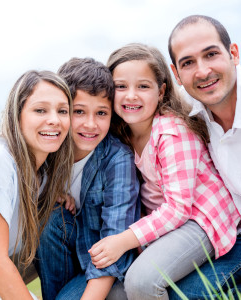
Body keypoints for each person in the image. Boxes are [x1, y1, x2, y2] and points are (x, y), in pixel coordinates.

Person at [88, 43, 241, 300]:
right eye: (121, 86)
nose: (131, 95)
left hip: (200, 219)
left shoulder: (172, 132)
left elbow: (179, 208)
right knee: (115, 294)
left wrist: (124, 241)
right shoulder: (121, 133)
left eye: (143, 86)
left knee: (142, 282)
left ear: (161, 92)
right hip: (166, 223)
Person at [34, 57, 140, 300]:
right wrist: (48, 192)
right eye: (79, 111)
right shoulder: (49, 147)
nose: (90, 124)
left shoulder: (117, 158)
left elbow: (114, 240)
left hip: (105, 264)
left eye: (101, 113)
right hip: (65, 255)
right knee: (50, 218)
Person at [167, 14, 241, 299]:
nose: (202, 71)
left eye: (211, 54)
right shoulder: (190, 107)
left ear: (234, 54)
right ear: (176, 74)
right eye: (188, 63)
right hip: (240, 237)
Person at [0, 70, 73, 299]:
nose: (54, 119)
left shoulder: (42, 177)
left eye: (63, 111)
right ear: (17, 116)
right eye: (40, 110)